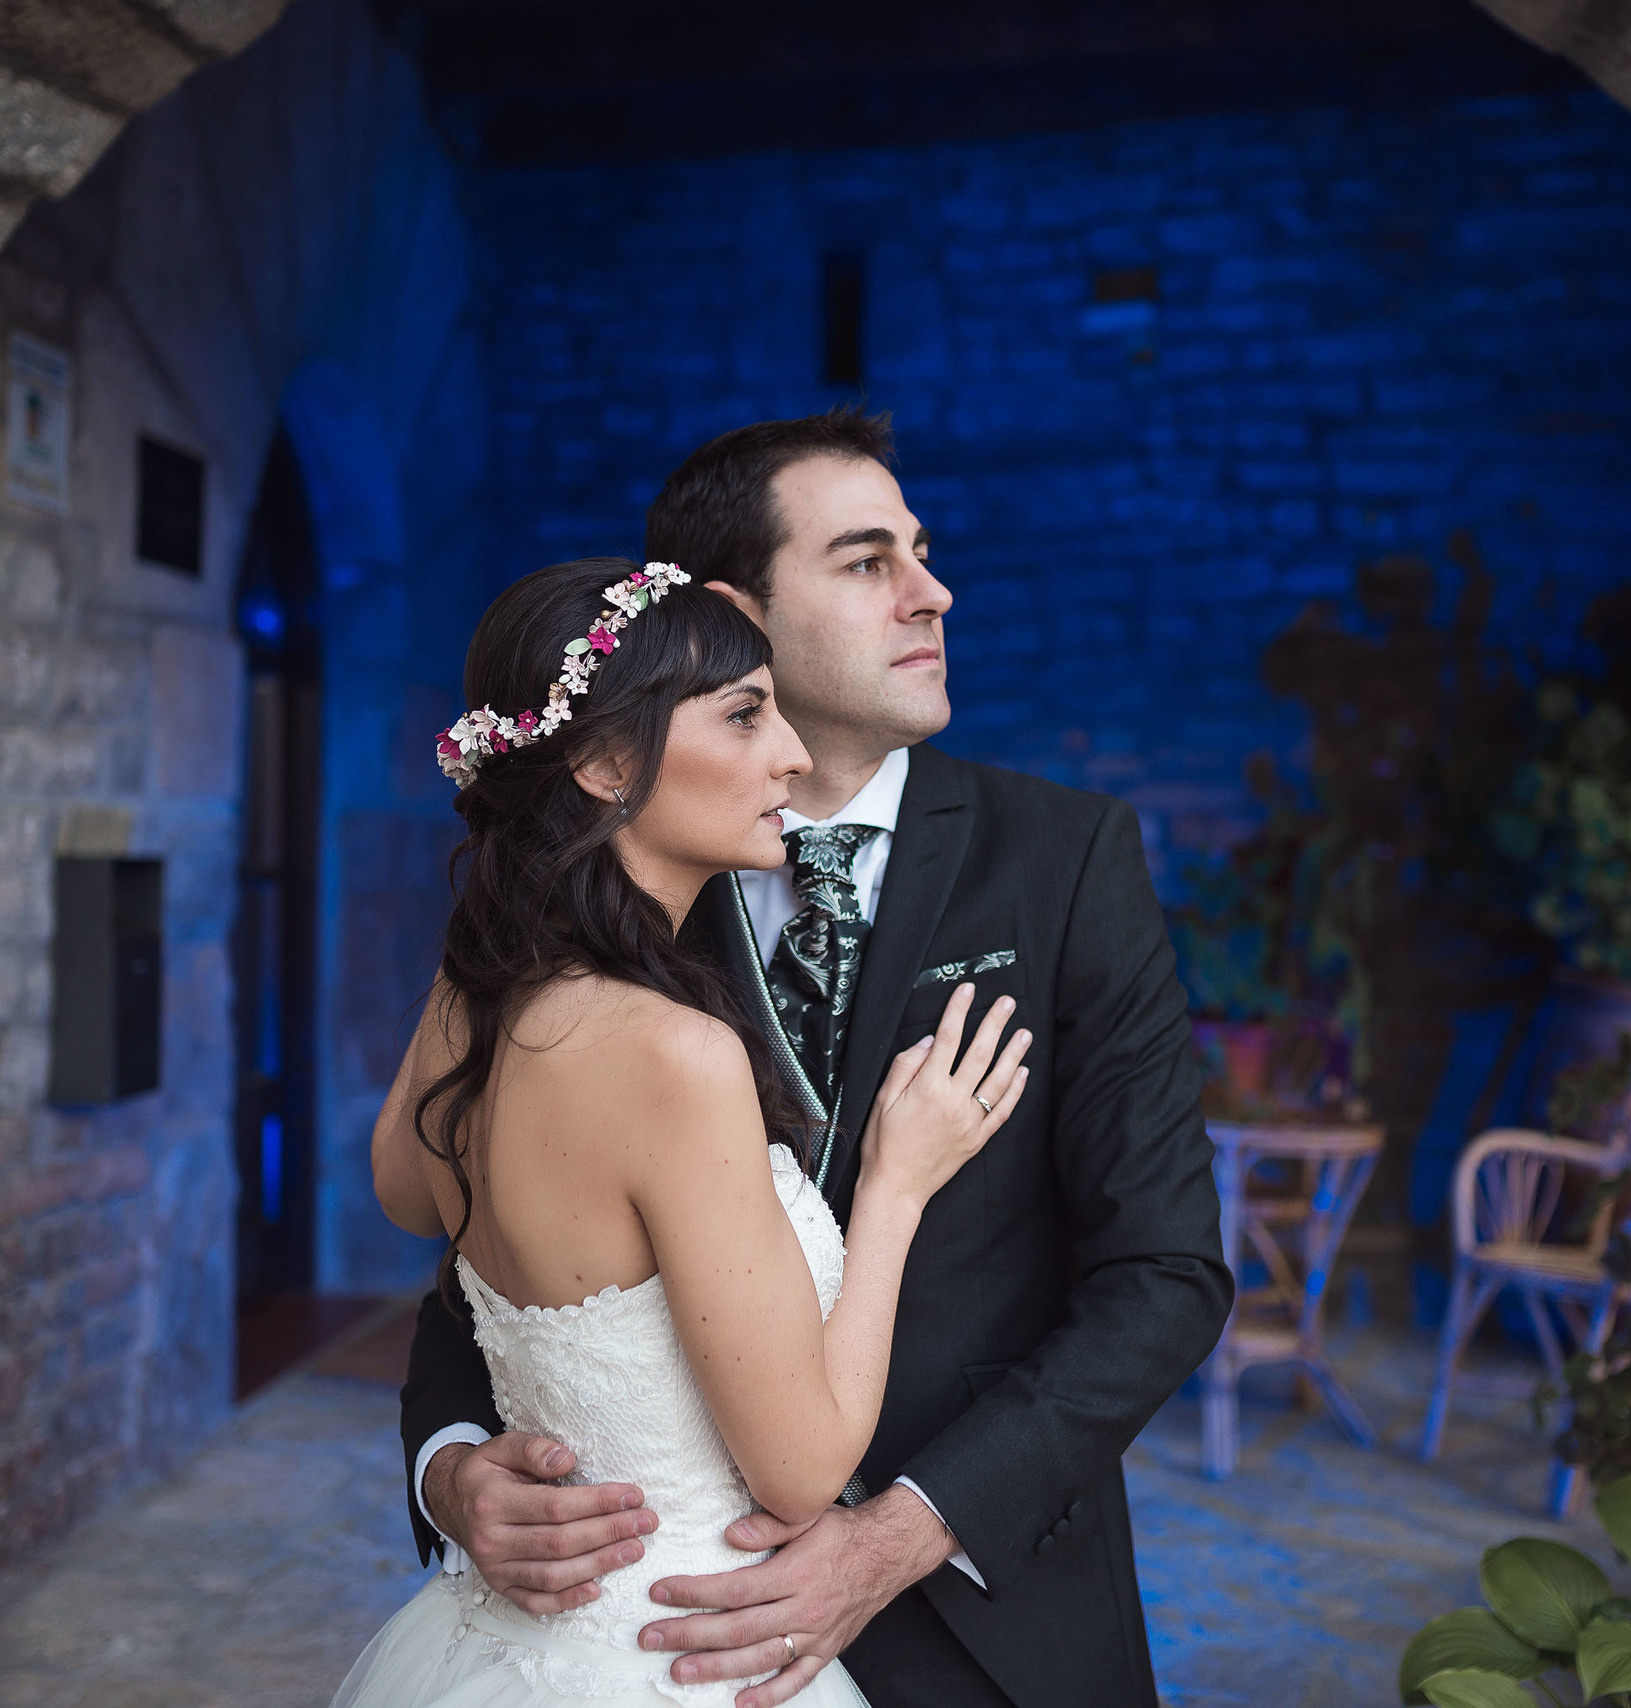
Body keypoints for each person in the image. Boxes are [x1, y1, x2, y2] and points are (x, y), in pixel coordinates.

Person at [398, 412, 1233, 1708]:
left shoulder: (1066, 860)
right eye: (865, 561)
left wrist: (900, 1533)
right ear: (737, 610)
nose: (931, 591)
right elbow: (498, 1251)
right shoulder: (618, 907)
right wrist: (451, 1467)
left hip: (994, 1625)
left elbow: (1167, 1273)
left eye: (922, 551)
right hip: (665, 1633)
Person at [336, 555, 1034, 1708]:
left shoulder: (479, 992)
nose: (794, 754)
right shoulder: (675, 1052)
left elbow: (405, 1193)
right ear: (607, 762)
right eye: (745, 715)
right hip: (680, 1654)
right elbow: (803, 1471)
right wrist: (897, 1187)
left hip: (497, 1646)